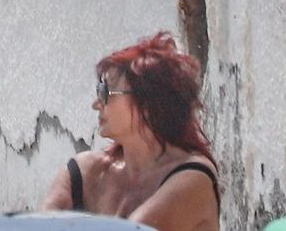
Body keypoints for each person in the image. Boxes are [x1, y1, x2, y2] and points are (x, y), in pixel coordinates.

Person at [41, 33, 221, 230]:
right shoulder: (84, 171)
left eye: (106, 91)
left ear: (148, 104)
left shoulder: (192, 177)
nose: (96, 104)